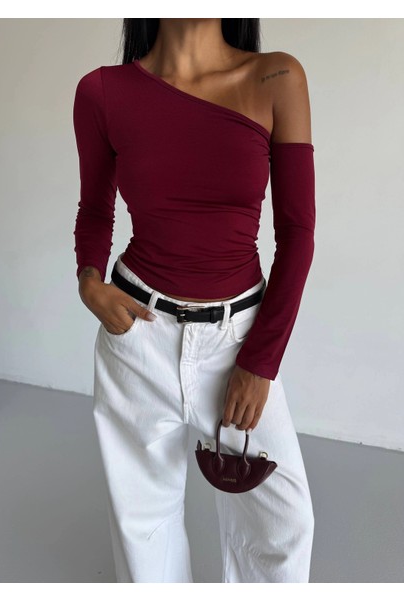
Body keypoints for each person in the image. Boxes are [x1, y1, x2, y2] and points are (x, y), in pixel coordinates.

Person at [73, 18, 316, 583]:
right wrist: (89, 281)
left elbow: (298, 234)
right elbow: (95, 210)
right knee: (143, 529)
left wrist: (260, 362)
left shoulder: (276, 77)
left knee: (283, 529)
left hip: (237, 341)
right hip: (136, 332)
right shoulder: (102, 91)